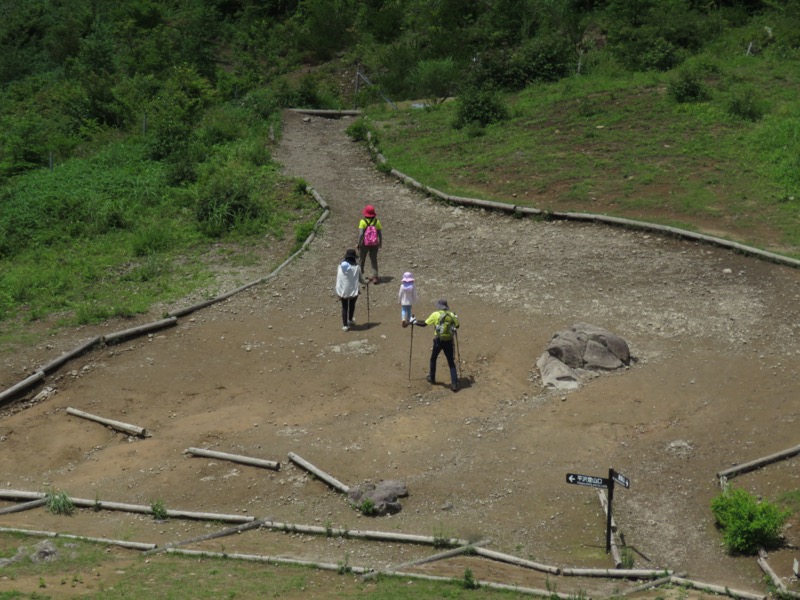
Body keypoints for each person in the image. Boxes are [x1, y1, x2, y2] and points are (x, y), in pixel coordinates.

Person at [410, 299, 460, 391]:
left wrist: (414, 322)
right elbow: (457, 326)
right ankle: (454, 384)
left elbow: (424, 324)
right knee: (451, 363)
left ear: (439, 306)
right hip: (449, 341)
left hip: (438, 341)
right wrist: (455, 318)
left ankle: (432, 378)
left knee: (433, 359)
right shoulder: (451, 315)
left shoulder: (435, 314)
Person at [335, 248, 364, 331]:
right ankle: (350, 320)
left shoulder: (340, 266)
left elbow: (340, 278)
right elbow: (361, 280)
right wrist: (367, 282)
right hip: (353, 291)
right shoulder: (357, 267)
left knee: (344, 307)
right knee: (352, 305)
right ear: (354, 257)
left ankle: (345, 326)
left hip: (342, 290)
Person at [357, 204, 382, 284]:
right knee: (374, 260)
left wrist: (358, 243)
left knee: (361, 259)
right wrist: (380, 242)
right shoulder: (377, 221)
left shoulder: (362, 222)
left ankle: (360, 276)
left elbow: (361, 234)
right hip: (374, 244)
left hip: (364, 243)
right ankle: (375, 277)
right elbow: (380, 233)